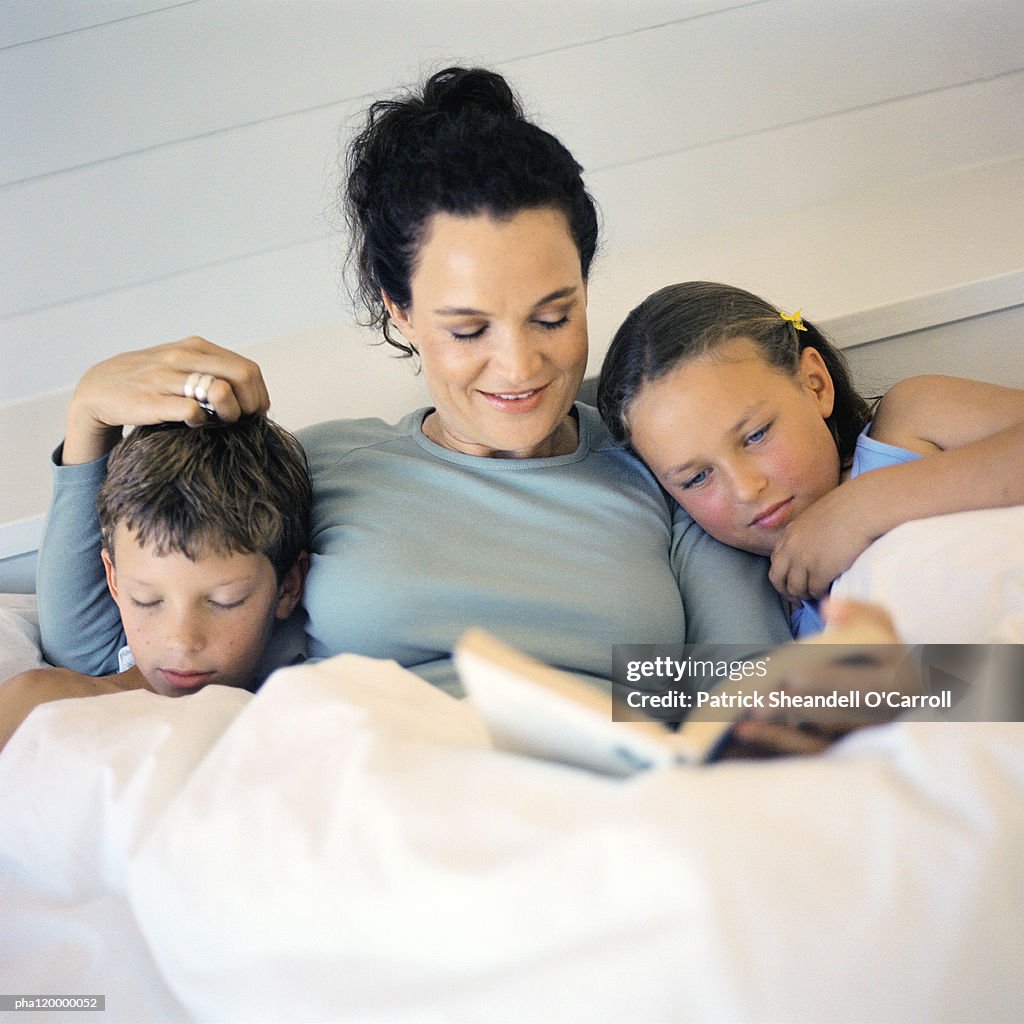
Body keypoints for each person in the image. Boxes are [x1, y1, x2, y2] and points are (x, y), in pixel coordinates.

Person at [36, 68, 792, 703]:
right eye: (469, 331)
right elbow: (94, 643)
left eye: (553, 316)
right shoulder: (326, 467)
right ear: (398, 311)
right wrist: (90, 417)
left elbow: (762, 683)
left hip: (585, 812)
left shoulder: (662, 466)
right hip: (363, 805)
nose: (520, 366)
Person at [597, 281, 1024, 635]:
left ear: (815, 383)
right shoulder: (771, 612)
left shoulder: (912, 420)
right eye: (695, 478)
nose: (746, 489)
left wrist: (865, 506)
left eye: (756, 435)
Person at [1, 415, 310, 750]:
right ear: (114, 582)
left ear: (289, 586)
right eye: (147, 600)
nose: (181, 641)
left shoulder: (304, 729)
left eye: (224, 601)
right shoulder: (38, 706)